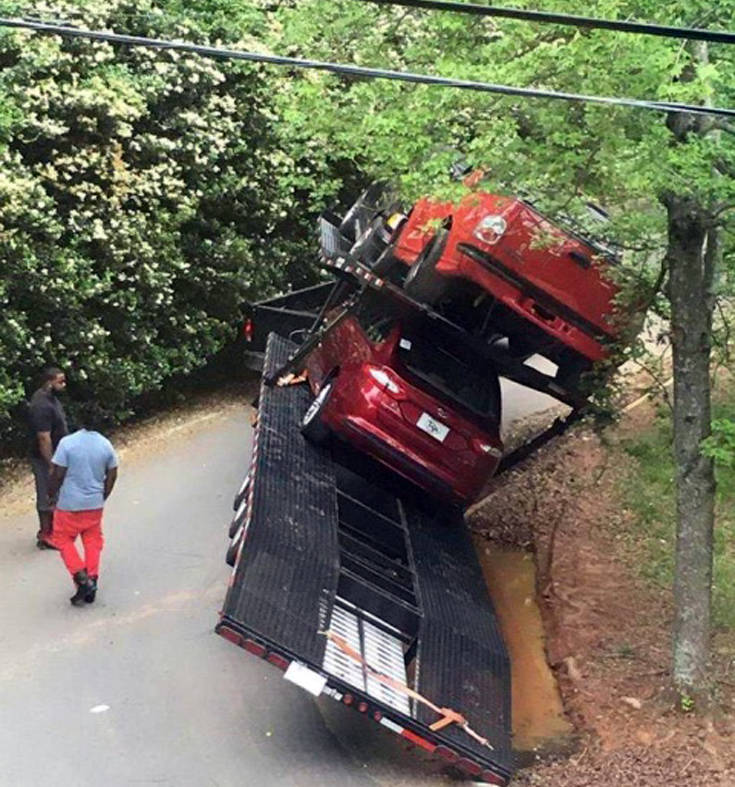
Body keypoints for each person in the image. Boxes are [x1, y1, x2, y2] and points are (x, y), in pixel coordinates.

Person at [47, 416, 118, 606]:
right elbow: (112, 475)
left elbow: (58, 473)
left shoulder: (67, 444)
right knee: (93, 540)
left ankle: (81, 578)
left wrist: (51, 495)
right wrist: (102, 496)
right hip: (94, 505)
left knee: (62, 539)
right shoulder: (105, 444)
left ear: (79, 423)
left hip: (69, 505)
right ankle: (93, 579)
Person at [27, 366, 69, 549]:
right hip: (44, 457)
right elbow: (44, 437)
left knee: (56, 492)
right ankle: (46, 534)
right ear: (49, 382)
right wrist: (51, 462)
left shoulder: (50, 399)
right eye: (60, 381)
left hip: (58, 454)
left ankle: (55, 530)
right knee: (46, 493)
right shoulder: (41, 405)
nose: (64, 384)